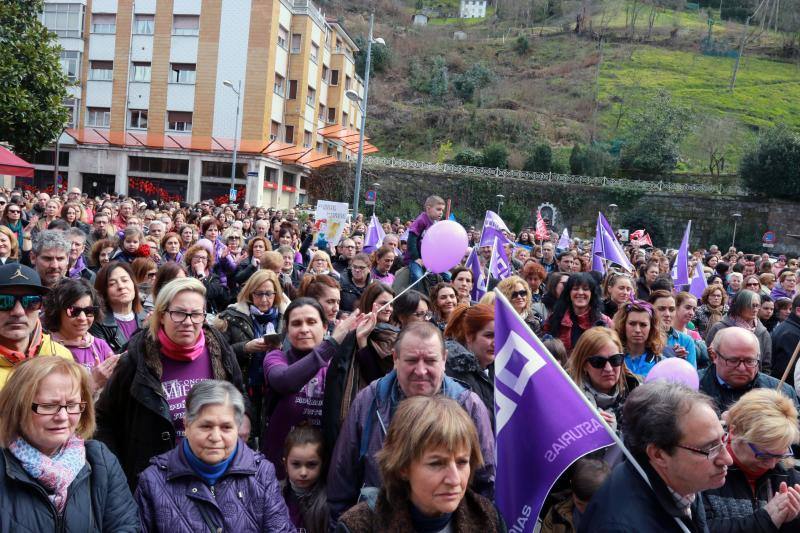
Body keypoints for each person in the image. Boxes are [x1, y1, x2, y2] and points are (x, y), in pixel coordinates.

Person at [327, 322, 495, 525]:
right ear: (395, 359)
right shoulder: (369, 401)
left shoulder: (469, 406)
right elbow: (342, 478)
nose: (421, 370)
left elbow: (486, 483)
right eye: (412, 360)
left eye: (430, 361)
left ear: (444, 360)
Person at [95, 277, 251, 489]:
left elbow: (238, 391)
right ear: (161, 315)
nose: (188, 322)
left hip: (213, 474)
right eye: (178, 313)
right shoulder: (137, 357)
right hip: (156, 480)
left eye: (196, 314)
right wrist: (117, 472)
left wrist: (245, 417)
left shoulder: (219, 347)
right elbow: (104, 417)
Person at [135, 380, 294, 532]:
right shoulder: (153, 481)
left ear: (237, 428)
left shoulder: (261, 474)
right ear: (187, 425)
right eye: (206, 426)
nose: (216, 437)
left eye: (226, 427)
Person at [0, 357, 139, 531]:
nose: (63, 417)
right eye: (49, 406)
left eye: (72, 405)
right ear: (17, 408)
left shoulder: (100, 460)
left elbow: (125, 526)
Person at [335, 395, 504, 533]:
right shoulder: (359, 527)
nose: (454, 480)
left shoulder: (487, 519)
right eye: (436, 464)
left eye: (462, 462)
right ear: (403, 467)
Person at [579, 381, 733, 532]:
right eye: (709, 447)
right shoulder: (618, 526)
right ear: (659, 455)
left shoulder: (684, 479)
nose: (727, 459)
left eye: (723, 438)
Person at [262, 298, 366, 479]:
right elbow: (285, 381)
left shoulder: (337, 363)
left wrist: (362, 342)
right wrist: (332, 344)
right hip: (280, 472)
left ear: (325, 326)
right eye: (296, 324)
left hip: (327, 471)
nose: (304, 329)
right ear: (287, 330)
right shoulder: (276, 358)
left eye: (311, 322)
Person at [702, 388, 800, 532]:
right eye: (764, 455)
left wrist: (792, 520)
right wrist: (765, 520)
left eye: (780, 455)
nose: (772, 464)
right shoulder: (704, 470)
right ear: (734, 432)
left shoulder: (789, 476)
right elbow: (700, 527)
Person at [0, 263, 72, 388]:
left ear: (40, 307)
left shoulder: (61, 356)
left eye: (31, 301)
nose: (18, 312)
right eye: (3, 301)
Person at [42, 278, 118, 393]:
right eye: (73, 311)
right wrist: (93, 382)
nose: (82, 318)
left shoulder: (100, 345)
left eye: (89, 311)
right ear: (57, 312)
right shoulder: (46, 349)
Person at [700, 327, 798, 413]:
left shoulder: (782, 393)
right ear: (714, 356)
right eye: (733, 360)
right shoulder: (693, 387)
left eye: (750, 361)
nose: (742, 368)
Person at [567, 327, 639, 432]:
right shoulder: (568, 401)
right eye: (598, 362)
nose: (608, 369)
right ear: (583, 365)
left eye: (615, 359)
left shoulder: (638, 395)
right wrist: (585, 429)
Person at [444, 303, 495, 426]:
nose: (496, 342)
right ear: (469, 336)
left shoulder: (495, 367)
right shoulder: (455, 370)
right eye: (489, 335)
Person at [707, 290, 772, 374]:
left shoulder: (763, 332)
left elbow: (766, 365)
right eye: (751, 305)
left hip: (753, 382)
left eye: (757, 305)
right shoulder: (719, 328)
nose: (755, 309)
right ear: (739, 306)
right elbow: (709, 359)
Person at [545, 272, 612, 354]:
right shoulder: (554, 319)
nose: (580, 292)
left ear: (592, 293)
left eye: (585, 289)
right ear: (569, 293)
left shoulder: (604, 322)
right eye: (575, 289)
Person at [541, 457, 611, 533]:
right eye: (579, 503)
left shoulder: (615, 524)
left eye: (590, 506)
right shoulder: (556, 514)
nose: (584, 511)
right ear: (573, 492)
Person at [90, 262, 147, 353]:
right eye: (112, 284)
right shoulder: (97, 324)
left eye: (125, 280)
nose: (121, 286)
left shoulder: (147, 316)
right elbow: (108, 362)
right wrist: (142, 332)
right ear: (103, 291)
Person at [282, 424, 330, 533]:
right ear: (285, 464)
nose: (303, 473)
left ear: (322, 464)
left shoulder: (326, 503)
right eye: (296, 464)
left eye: (311, 464)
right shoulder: (274, 493)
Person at [614, 299, 665, 379]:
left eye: (643, 325)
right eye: (632, 324)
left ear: (651, 328)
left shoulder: (660, 363)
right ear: (623, 325)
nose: (637, 330)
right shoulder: (613, 358)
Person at [649, 290, 698, 367]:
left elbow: (691, 376)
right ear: (650, 310)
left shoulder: (686, 340)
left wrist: (681, 362)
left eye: (671, 309)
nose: (667, 314)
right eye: (661, 309)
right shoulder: (644, 338)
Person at [404, 195, 446, 285]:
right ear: (428, 208)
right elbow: (411, 240)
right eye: (438, 209)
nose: (441, 212)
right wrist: (416, 258)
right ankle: (416, 296)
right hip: (414, 258)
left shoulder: (436, 223)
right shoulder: (421, 220)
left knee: (447, 276)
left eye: (442, 210)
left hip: (429, 260)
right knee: (417, 276)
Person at [183, 243, 230, 314]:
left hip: (206, 313)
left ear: (207, 261)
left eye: (203, 258)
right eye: (196, 257)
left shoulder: (213, 277)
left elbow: (209, 293)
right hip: (185, 308)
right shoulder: (183, 274)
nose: (200, 260)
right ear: (191, 258)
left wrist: (201, 273)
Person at [674, 291, 710, 369]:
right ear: (676, 307)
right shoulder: (665, 333)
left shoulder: (694, 335)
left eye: (694, 309)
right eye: (688, 308)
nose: (691, 313)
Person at [772, 295, 800, 388]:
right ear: (798, 311)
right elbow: (788, 373)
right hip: (787, 392)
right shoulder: (791, 335)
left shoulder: (791, 328)